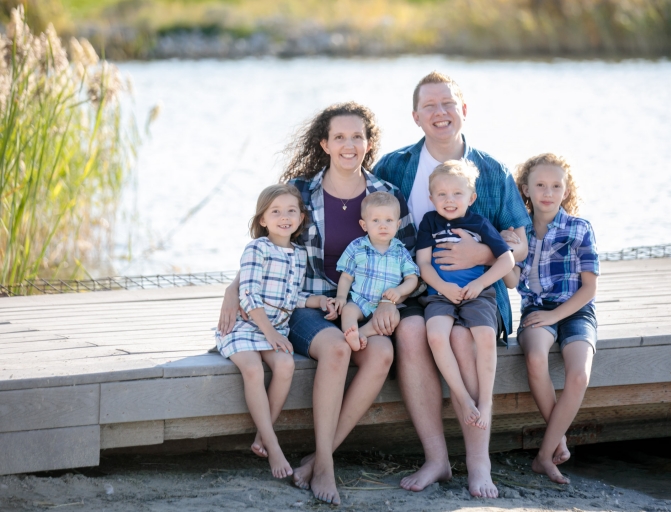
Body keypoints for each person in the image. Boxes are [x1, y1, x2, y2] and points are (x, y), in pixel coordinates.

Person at [218, 102, 416, 506]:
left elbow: (405, 256)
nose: (349, 145)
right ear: (324, 143)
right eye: (339, 137)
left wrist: (390, 302)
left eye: (357, 136)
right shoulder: (302, 192)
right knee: (338, 348)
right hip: (306, 304)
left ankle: (319, 457)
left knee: (381, 354)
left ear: (369, 143)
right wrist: (232, 288)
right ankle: (325, 465)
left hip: (363, 304)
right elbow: (269, 244)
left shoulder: (387, 195)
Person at [374, 71, 531, 498]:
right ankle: (437, 459)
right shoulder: (394, 166)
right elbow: (365, 217)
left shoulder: (492, 171)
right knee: (411, 332)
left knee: (463, 338)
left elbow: (519, 242)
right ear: (416, 116)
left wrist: (481, 255)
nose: (440, 112)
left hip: (479, 289)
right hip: (414, 286)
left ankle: (479, 463)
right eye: (429, 105)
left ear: (463, 110)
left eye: (448, 103)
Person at [215, 184, 334, 479]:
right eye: (276, 211)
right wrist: (270, 333)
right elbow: (248, 294)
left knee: (285, 365)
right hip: (245, 326)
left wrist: (318, 301)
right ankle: (274, 445)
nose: (284, 217)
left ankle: (261, 435)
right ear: (263, 219)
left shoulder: (299, 255)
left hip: (275, 328)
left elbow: (291, 298)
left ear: (301, 218)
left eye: (291, 211)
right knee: (253, 369)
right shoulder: (257, 249)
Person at [510, 153, 599, 485]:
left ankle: (543, 457)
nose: (548, 193)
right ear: (526, 189)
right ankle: (557, 441)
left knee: (578, 375)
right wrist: (506, 252)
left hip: (576, 310)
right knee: (535, 357)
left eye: (556, 186)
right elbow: (510, 282)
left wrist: (557, 314)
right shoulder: (519, 232)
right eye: (540, 185)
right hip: (536, 309)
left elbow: (589, 288)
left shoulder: (579, 229)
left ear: (566, 190)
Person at [416, 160, 514, 431]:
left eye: (457, 193)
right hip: (440, 294)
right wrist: (443, 287)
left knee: (485, 335)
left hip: (477, 294)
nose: (449, 200)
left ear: (471, 198)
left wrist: (481, 284)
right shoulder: (429, 223)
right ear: (431, 198)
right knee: (436, 336)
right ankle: (462, 396)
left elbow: (507, 260)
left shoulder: (479, 223)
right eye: (442, 194)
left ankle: (486, 401)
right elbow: (423, 264)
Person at [335, 191, 420, 351]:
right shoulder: (357, 247)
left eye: (389, 220)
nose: (383, 225)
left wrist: (399, 291)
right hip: (360, 301)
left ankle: (362, 333)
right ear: (364, 225)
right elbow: (346, 276)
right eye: (375, 220)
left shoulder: (401, 251)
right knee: (348, 311)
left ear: (398, 224)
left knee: (394, 318)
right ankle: (350, 332)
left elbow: (412, 278)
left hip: (387, 304)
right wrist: (341, 296)